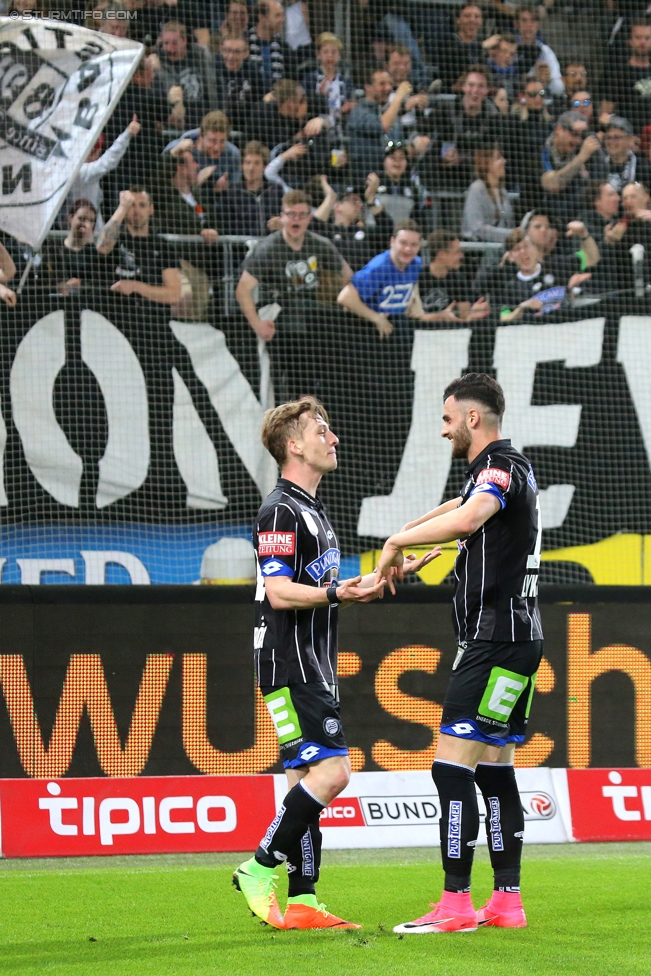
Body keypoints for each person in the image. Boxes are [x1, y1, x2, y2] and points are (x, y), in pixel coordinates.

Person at [233, 395, 436, 929]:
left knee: (306, 775)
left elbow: (334, 591)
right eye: (321, 429)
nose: (334, 437)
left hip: (305, 661)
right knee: (334, 771)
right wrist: (334, 594)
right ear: (292, 445)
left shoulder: (313, 512)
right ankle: (258, 868)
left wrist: (384, 577)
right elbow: (278, 592)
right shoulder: (280, 509)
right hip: (291, 661)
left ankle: (302, 902)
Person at [375, 372, 543, 934]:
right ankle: (507, 902)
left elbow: (469, 516)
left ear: (473, 419)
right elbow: (461, 505)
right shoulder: (509, 467)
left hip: (494, 640)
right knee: (494, 766)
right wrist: (404, 532)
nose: (444, 429)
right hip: (518, 640)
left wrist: (398, 543)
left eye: (449, 419)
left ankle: (454, 905)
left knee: (450, 769)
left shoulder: (496, 466)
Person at [236, 189, 352, 400]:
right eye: (290, 214)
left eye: (301, 215)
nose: (295, 220)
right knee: (293, 386)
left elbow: (349, 277)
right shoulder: (268, 249)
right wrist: (258, 325)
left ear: (310, 217)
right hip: (282, 321)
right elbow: (243, 289)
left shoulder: (320, 244)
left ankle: (312, 423)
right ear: (282, 217)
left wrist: (349, 304)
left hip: (314, 319)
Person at [337, 218, 432, 336]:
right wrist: (376, 318)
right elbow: (345, 298)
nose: (408, 249)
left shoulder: (416, 263)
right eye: (403, 243)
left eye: (414, 244)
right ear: (392, 242)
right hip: (365, 328)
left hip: (395, 323)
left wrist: (415, 300)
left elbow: (413, 282)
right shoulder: (380, 267)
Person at [96, 187, 183, 306]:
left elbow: (174, 295)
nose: (136, 210)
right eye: (131, 205)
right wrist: (122, 207)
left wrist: (136, 286)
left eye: (142, 205)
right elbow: (102, 247)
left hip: (152, 317)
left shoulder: (164, 247)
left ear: (151, 209)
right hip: (114, 311)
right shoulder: (115, 239)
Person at [61, 116, 141, 230]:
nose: (96, 153)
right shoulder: (80, 172)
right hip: (80, 231)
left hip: (90, 229)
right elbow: (107, 162)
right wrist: (127, 135)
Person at [540, 110, 607, 225]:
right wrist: (581, 158)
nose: (577, 140)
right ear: (559, 129)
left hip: (581, 219)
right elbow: (553, 184)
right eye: (574, 134)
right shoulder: (542, 151)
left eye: (581, 136)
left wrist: (589, 134)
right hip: (550, 219)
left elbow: (601, 182)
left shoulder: (582, 150)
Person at [348, 68, 413, 183]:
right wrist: (398, 98)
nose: (388, 88)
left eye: (389, 84)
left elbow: (399, 146)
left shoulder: (391, 114)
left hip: (391, 184)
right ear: (368, 87)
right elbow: (383, 126)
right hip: (364, 183)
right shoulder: (359, 112)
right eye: (382, 84)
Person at [310, 181, 394, 270]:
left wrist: (371, 199)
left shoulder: (365, 231)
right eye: (354, 200)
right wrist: (330, 197)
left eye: (360, 202)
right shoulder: (326, 232)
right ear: (337, 205)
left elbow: (388, 230)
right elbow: (310, 227)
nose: (360, 205)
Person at [152, 20, 218, 129]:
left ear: (184, 41)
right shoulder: (158, 63)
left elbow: (214, 85)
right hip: (179, 121)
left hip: (206, 117)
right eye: (166, 43)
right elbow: (168, 92)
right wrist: (160, 72)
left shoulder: (201, 55)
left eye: (174, 43)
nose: (169, 48)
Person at [212, 141, 284, 235]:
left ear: (264, 166)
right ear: (241, 165)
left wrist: (282, 223)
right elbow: (220, 225)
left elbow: (287, 217)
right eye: (247, 163)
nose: (251, 168)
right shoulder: (231, 194)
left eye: (256, 163)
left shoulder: (275, 191)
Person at [420, 228, 490, 321]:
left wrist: (473, 314)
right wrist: (440, 316)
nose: (461, 256)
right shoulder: (418, 278)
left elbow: (465, 317)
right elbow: (412, 317)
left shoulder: (457, 278)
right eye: (457, 252)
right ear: (441, 255)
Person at [165, 111, 242, 194]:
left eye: (222, 141)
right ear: (201, 135)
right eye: (212, 141)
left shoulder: (233, 155)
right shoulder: (178, 149)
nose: (217, 147)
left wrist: (225, 191)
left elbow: (236, 193)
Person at [41, 200, 107, 296]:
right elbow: (46, 279)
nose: (86, 225)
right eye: (82, 219)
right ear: (71, 218)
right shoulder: (55, 250)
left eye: (91, 221)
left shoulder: (94, 254)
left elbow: (100, 282)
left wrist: (82, 283)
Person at [301, 33, 356, 145]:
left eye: (334, 52)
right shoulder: (309, 80)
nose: (330, 56)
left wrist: (350, 106)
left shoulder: (346, 82)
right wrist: (318, 96)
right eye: (326, 52)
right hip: (317, 136)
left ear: (339, 55)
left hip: (342, 135)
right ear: (318, 55)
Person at [600, 19, 651, 136]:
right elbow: (604, 115)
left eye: (647, 38)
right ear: (630, 41)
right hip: (627, 138)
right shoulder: (618, 73)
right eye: (638, 37)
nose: (643, 42)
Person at [214, 30, 265, 136]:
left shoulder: (253, 73)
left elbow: (262, 100)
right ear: (221, 50)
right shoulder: (212, 70)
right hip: (216, 128)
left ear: (246, 53)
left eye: (236, 52)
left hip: (247, 131)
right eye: (227, 51)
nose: (230, 56)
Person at [462, 147, 515, 246]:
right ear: (486, 163)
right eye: (498, 158)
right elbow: (476, 228)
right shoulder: (476, 189)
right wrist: (510, 234)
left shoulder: (502, 191)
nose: (504, 161)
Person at [514, 4, 563, 95]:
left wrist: (548, 80)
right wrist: (534, 76)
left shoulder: (545, 51)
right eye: (524, 20)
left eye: (533, 21)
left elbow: (559, 88)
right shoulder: (509, 48)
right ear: (516, 24)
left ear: (538, 25)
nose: (529, 25)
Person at [603, 116, 651, 193]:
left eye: (616, 138)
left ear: (629, 140)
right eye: (608, 137)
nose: (611, 142)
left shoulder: (643, 167)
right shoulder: (599, 165)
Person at [248, 0, 288, 92]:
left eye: (282, 15)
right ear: (262, 17)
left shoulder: (284, 47)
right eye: (277, 15)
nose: (283, 19)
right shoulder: (245, 43)